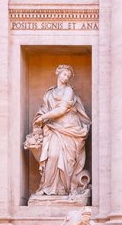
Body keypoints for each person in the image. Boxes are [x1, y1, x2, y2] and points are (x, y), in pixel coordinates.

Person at [26, 65, 90, 197]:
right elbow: (44, 109)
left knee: (68, 160)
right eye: (64, 74)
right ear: (57, 73)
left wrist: (44, 117)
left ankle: (64, 190)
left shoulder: (68, 91)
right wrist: (39, 118)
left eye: (68, 76)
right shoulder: (49, 93)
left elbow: (61, 110)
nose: (65, 77)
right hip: (53, 128)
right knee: (53, 156)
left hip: (69, 127)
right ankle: (47, 187)